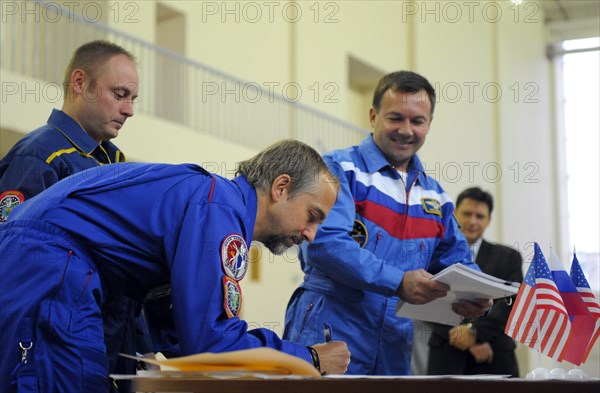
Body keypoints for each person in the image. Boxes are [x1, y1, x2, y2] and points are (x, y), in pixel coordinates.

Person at [0, 139, 351, 392]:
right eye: (312, 216)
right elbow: (210, 339)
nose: (310, 234)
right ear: (281, 187)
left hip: (45, 264)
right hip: (49, 267)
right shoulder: (219, 208)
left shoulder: (209, 200)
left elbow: (182, 332)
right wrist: (306, 358)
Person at [283, 71, 492, 375]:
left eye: (417, 121)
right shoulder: (337, 169)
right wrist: (398, 282)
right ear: (373, 116)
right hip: (330, 330)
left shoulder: (435, 197)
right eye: (396, 118)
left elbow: (459, 262)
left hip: (394, 344)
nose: (406, 130)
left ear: (429, 124)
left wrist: (480, 298)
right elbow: (323, 245)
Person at [0, 40, 151, 392]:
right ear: (80, 83)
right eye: (119, 94)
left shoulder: (110, 164)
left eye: (133, 98)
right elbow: (16, 269)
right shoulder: (39, 158)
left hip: (108, 349)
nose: (129, 110)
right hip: (57, 355)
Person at [427, 187, 523, 377]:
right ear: (454, 214)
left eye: (480, 216)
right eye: (467, 213)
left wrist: (475, 333)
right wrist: (462, 337)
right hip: (446, 354)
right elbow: (426, 299)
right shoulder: (434, 253)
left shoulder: (509, 257)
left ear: (488, 220)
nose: (472, 221)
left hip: (494, 352)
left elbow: (510, 303)